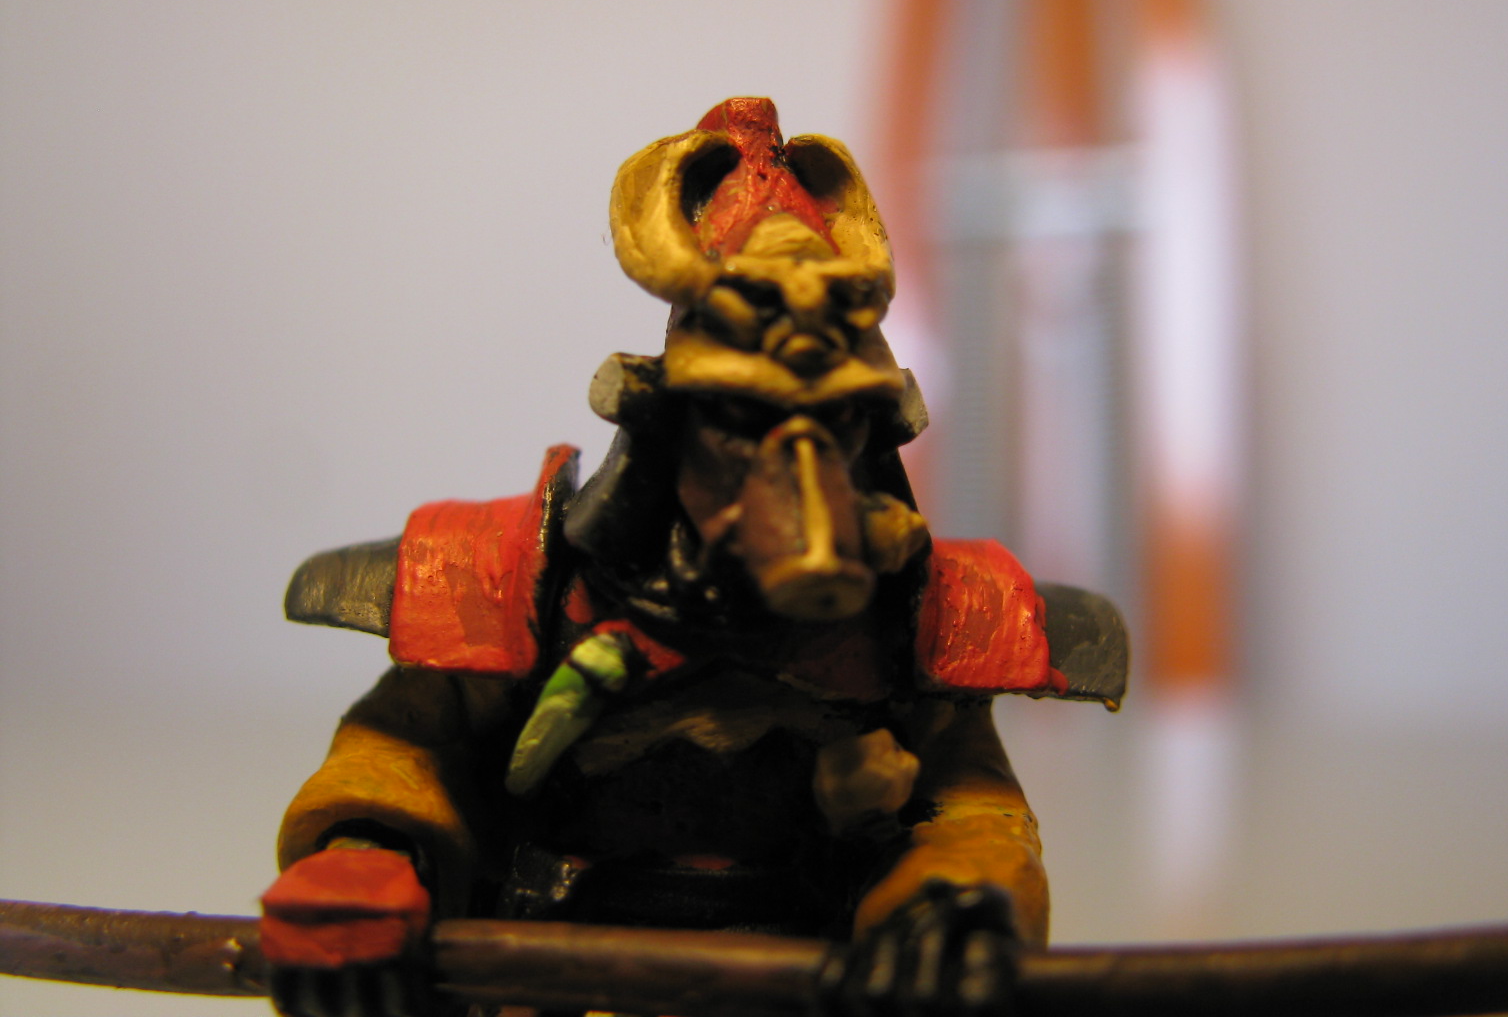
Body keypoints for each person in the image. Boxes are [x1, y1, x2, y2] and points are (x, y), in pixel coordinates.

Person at [260, 98, 1127, 1017]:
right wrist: (369, 858)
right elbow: (405, 748)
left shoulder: (928, 614)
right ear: (665, 420)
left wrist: (951, 908)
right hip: (556, 977)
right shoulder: (513, 580)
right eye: (744, 422)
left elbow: (969, 807)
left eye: (834, 424)